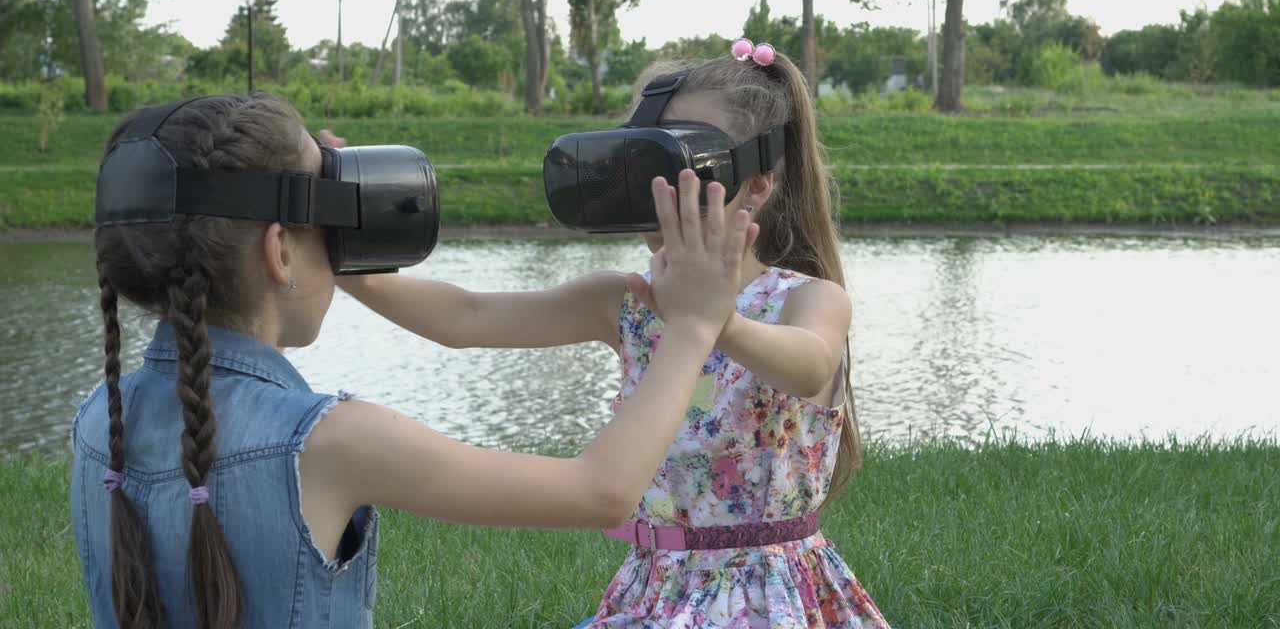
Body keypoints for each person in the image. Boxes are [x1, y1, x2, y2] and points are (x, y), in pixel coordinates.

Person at [71, 92, 757, 628]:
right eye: (329, 234)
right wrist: (694, 325)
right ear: (280, 252)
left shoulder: (95, 422)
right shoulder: (332, 440)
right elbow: (601, 492)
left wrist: (303, 200)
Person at [340, 45, 890, 627]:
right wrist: (338, 252)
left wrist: (714, 319)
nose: (659, 191)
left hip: (770, 596)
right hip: (652, 588)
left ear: (754, 186)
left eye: (683, 166)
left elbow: (807, 364)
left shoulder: (805, 298)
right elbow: (466, 316)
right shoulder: (624, 304)